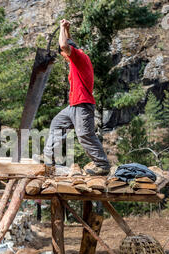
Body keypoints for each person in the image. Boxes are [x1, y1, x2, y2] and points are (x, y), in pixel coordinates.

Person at [43, 19, 111, 176]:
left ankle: (102, 165)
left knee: (84, 134)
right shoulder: (78, 57)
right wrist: (67, 29)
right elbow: (69, 44)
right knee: (57, 123)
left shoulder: (78, 57)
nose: (65, 58)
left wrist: (61, 28)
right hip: (73, 106)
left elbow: (64, 46)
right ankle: (48, 159)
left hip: (82, 105)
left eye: (64, 56)